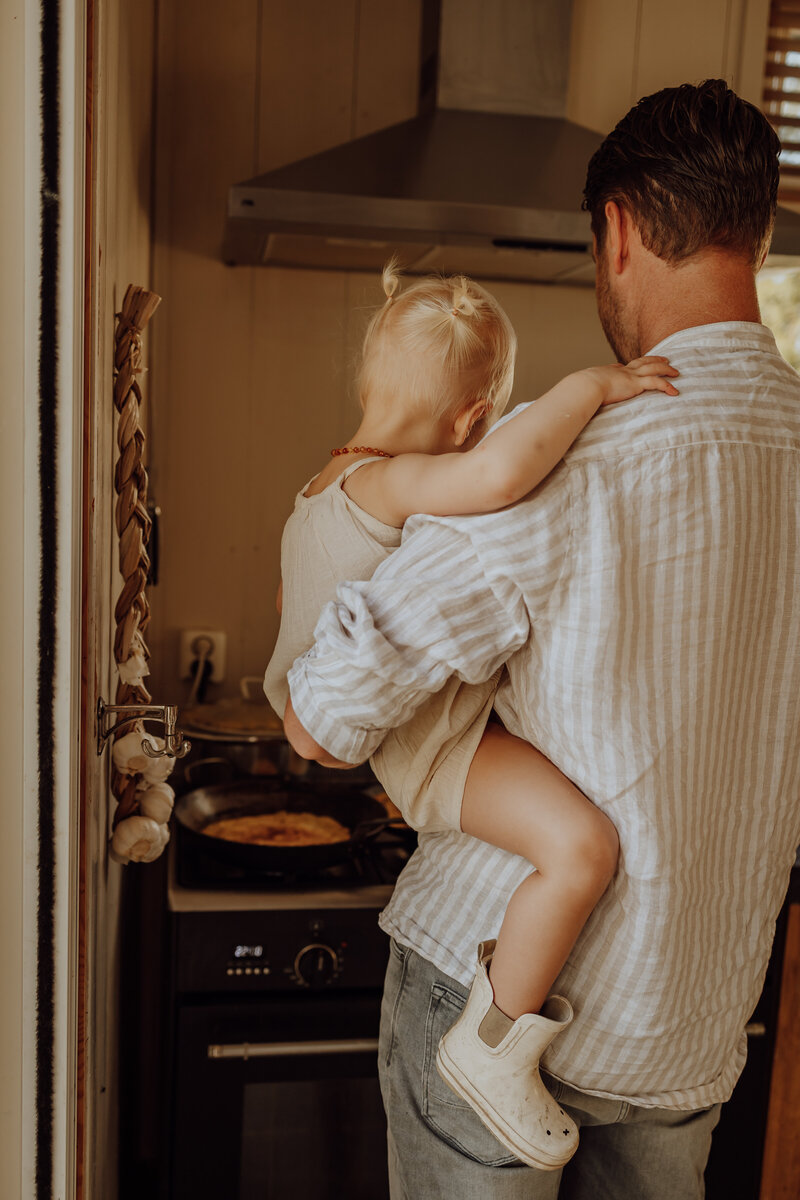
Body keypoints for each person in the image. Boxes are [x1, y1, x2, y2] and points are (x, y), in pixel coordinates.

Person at [283, 77, 800, 1200]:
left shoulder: (581, 449)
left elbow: (324, 714)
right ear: (753, 232)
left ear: (615, 234)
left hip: (487, 982)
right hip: (690, 1019)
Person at [264, 261, 679, 1169]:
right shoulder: (392, 483)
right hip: (433, 751)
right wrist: (589, 386)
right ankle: (492, 1045)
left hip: (417, 741)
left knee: (574, 841)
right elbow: (500, 478)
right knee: (581, 849)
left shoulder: (326, 487)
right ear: (471, 417)